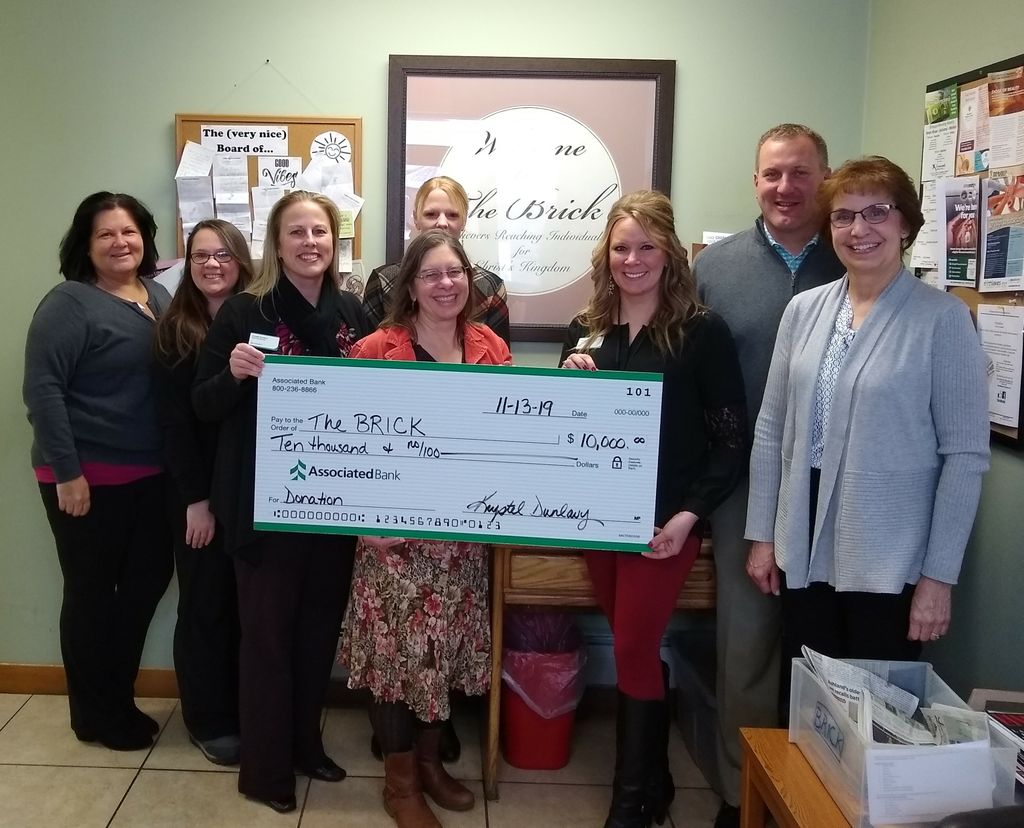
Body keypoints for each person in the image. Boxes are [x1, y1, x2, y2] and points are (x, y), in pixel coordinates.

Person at [745, 157, 989, 691]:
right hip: (802, 541)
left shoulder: (942, 320)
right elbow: (771, 430)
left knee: (874, 721)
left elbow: (966, 459)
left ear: (906, 224)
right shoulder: (804, 311)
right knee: (805, 710)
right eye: (843, 216)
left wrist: (937, 578)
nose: (859, 230)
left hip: (890, 553)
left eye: (877, 212)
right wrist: (764, 536)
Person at [560, 191, 746, 828]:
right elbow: (567, 431)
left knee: (635, 647)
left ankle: (630, 802)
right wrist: (568, 382)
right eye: (621, 247)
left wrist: (689, 517)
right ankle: (658, 780)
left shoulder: (702, 331)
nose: (632, 259)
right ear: (605, 254)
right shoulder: (587, 328)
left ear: (668, 253)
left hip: (663, 525)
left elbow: (729, 439)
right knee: (632, 644)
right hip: (597, 519)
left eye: (646, 246)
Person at [192, 191, 372, 813]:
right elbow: (202, 405)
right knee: (266, 639)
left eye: (319, 231)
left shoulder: (353, 311)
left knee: (318, 632)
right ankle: (266, 772)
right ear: (276, 242)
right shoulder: (245, 310)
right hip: (263, 502)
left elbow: (382, 394)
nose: (309, 243)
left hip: (333, 501)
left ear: (334, 239)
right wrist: (234, 374)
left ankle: (305, 747)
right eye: (296, 232)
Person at [692, 123, 844, 828]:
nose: (786, 188)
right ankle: (739, 794)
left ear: (824, 176)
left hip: (838, 480)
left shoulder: (856, 256)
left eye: (801, 173)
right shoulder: (715, 267)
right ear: (755, 180)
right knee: (746, 645)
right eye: (772, 174)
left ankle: (823, 794)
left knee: (826, 643)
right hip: (744, 483)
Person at [339, 229, 510, 828]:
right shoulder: (374, 348)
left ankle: (433, 766)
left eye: (456, 272)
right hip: (394, 544)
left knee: (445, 656)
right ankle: (401, 783)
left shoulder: (490, 345)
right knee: (395, 662)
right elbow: (343, 445)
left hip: (460, 542)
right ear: (410, 284)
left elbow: (507, 441)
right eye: (433, 274)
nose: (446, 284)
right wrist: (361, 522)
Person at [23, 191, 174, 751]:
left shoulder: (156, 294)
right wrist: (67, 472)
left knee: (144, 585)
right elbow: (43, 390)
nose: (120, 243)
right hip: (85, 477)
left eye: (129, 232)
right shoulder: (69, 303)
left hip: (149, 474)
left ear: (144, 238)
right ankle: (94, 715)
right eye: (106, 234)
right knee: (90, 595)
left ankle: (117, 698)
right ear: (85, 244)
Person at [153, 220, 254, 766]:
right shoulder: (176, 330)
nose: (212, 265)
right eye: (199, 257)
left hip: (248, 492)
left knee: (245, 609)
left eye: (223, 254)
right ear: (187, 266)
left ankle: (244, 711)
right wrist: (196, 499)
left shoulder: (261, 321)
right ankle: (207, 718)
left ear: (242, 260)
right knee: (205, 605)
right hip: (198, 495)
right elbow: (174, 424)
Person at [363, 175, 511, 346]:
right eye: (431, 214)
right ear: (416, 219)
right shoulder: (383, 280)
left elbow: (498, 364)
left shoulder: (491, 287)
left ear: (464, 222)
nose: (442, 223)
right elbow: (369, 363)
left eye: (452, 215)